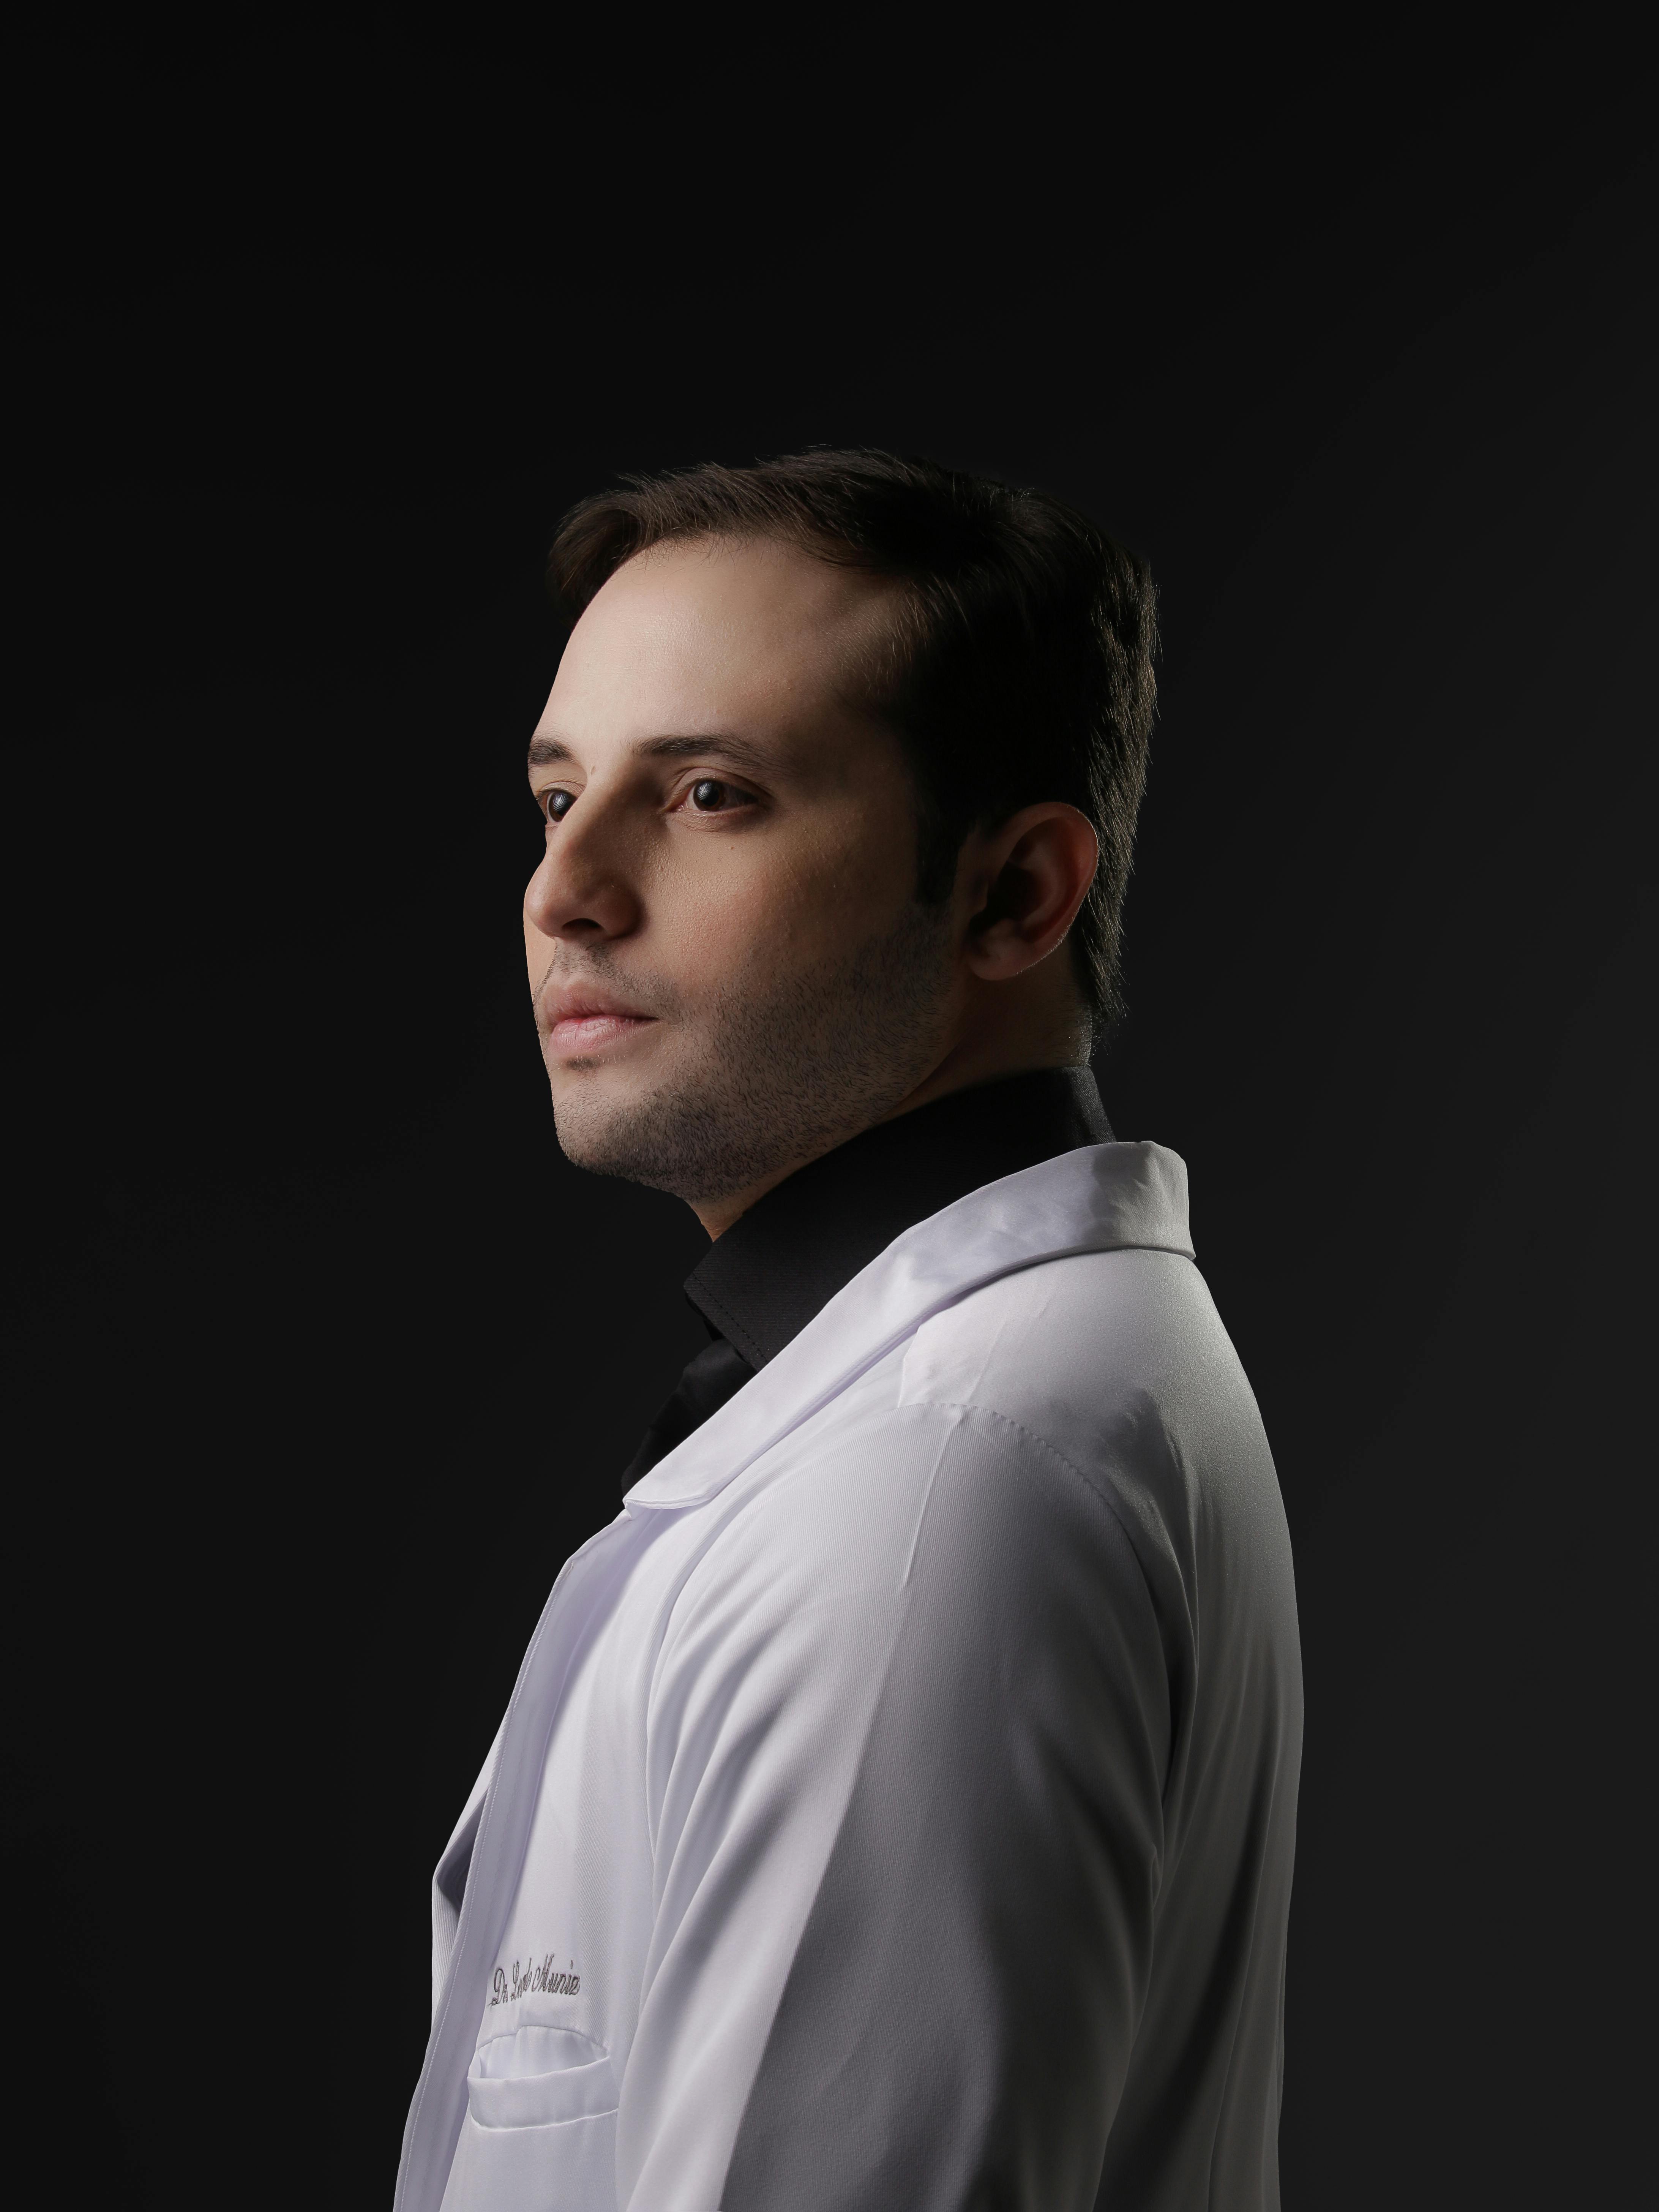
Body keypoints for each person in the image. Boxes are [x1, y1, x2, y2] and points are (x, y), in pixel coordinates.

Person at [394, 450, 1302, 2212]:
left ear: (1016, 896)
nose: (564, 889)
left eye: (711, 792)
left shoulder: (943, 1468)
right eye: (557, 795)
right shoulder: (946, 1401)